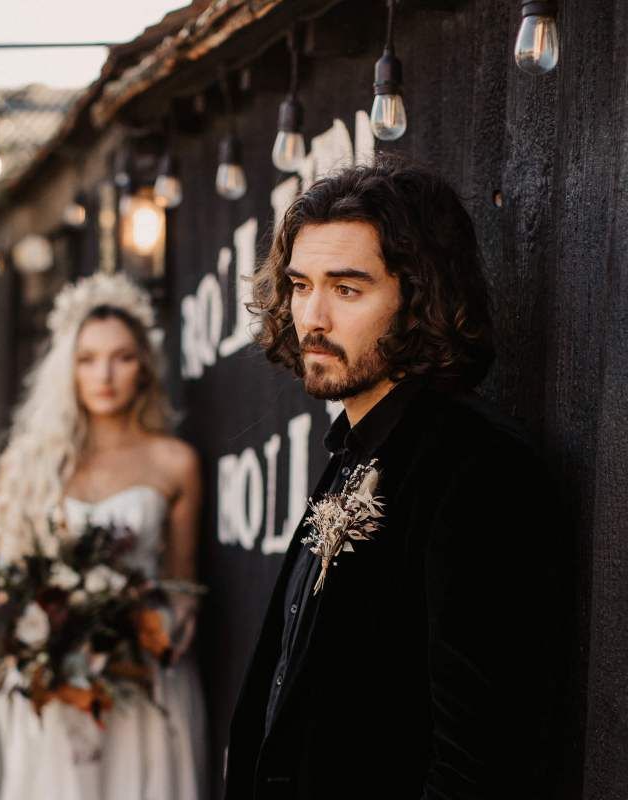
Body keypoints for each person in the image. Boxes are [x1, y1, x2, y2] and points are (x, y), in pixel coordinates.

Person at [224, 158, 568, 799]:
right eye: (301, 285)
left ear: (419, 298)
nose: (312, 319)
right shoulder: (353, 452)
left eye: (347, 289)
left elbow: (479, 766)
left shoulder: (478, 468)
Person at [0, 272, 207, 800]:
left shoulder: (174, 462)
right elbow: (6, 582)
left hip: (144, 677)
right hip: (55, 679)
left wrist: (152, 628)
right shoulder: (29, 464)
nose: (104, 374)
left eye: (122, 357)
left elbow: (182, 583)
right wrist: (56, 635)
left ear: (144, 367)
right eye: (87, 359)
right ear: (68, 369)